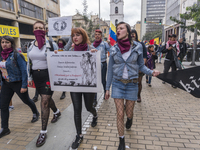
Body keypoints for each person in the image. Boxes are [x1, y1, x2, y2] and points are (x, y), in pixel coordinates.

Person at [105, 22, 160, 150]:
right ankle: (121, 140)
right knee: (120, 114)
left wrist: (151, 72)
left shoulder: (138, 47)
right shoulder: (114, 49)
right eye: (117, 28)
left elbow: (141, 66)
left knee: (129, 113)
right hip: (118, 84)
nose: (118, 30)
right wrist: (107, 88)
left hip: (132, 85)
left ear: (128, 32)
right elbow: (110, 70)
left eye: (121, 28)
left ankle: (129, 119)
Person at [27, 21, 61, 147]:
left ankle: (43, 132)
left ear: (45, 30)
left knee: (45, 101)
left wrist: (58, 55)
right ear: (33, 30)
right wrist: (30, 76)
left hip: (48, 75)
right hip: (37, 76)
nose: (38, 30)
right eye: (36, 28)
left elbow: (59, 59)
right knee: (45, 99)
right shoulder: (30, 45)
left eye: (41, 28)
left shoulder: (51, 44)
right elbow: (29, 63)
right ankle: (56, 112)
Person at [0, 36, 39, 138]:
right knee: (3, 106)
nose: (4, 44)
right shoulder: (1, 56)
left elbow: (23, 71)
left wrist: (24, 85)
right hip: (6, 84)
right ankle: (5, 128)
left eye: (7, 42)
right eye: (3, 42)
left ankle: (36, 112)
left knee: (26, 100)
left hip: (18, 83)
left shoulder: (17, 55)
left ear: (11, 44)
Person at [69, 27, 98, 149]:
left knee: (88, 106)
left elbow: (96, 69)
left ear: (84, 36)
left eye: (78, 35)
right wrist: (56, 54)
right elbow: (59, 59)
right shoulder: (69, 49)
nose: (75, 37)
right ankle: (79, 135)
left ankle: (95, 114)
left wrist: (95, 56)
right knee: (77, 110)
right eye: (73, 35)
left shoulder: (91, 49)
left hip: (87, 83)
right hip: (74, 84)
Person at [92, 29, 111, 106]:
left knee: (103, 80)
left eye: (98, 34)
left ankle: (105, 93)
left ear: (101, 36)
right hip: (94, 65)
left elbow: (111, 51)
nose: (97, 36)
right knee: (95, 82)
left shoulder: (104, 44)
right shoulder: (91, 45)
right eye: (96, 34)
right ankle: (94, 99)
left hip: (103, 64)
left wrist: (109, 45)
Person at [131, 29, 147, 103]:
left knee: (139, 82)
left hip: (139, 67)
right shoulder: (127, 44)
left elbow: (144, 56)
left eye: (134, 33)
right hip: (130, 68)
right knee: (129, 83)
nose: (132, 35)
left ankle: (138, 95)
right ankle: (129, 99)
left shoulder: (141, 44)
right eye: (131, 34)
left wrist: (142, 66)